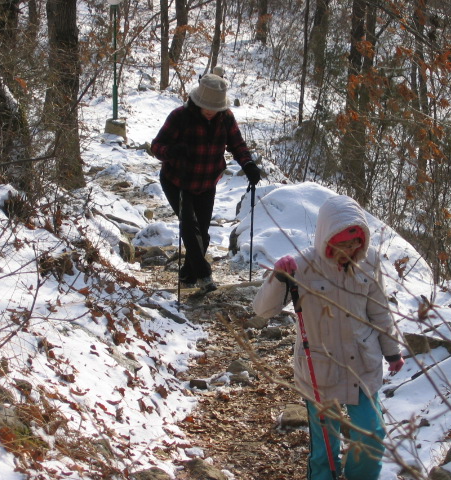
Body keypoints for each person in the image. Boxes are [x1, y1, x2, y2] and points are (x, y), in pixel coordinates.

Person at [252, 195, 404, 480]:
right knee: (325, 452)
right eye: (343, 243)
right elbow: (263, 309)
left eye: (355, 242)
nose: (350, 250)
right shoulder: (301, 265)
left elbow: (380, 310)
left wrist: (392, 352)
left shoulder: (369, 261)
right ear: (326, 237)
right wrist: (278, 277)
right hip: (319, 370)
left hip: (363, 364)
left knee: (371, 435)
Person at [151, 69, 261, 293]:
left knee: (202, 230)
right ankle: (203, 274)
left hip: (207, 181)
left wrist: (248, 165)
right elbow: (156, 147)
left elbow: (237, 144)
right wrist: (174, 151)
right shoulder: (179, 117)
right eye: (207, 107)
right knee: (190, 228)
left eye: (216, 108)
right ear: (198, 101)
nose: (211, 112)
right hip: (177, 180)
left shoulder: (225, 118)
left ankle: (187, 274)